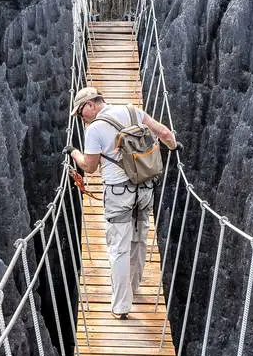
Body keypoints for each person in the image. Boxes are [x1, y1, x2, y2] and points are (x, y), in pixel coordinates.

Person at [67, 86, 177, 319]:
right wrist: (175, 147)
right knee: (139, 240)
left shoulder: (94, 129)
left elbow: (90, 167)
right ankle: (133, 288)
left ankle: (121, 306)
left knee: (119, 248)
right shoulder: (132, 111)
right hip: (145, 189)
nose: (80, 118)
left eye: (80, 112)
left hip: (118, 194)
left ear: (91, 105)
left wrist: (74, 154)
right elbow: (164, 133)